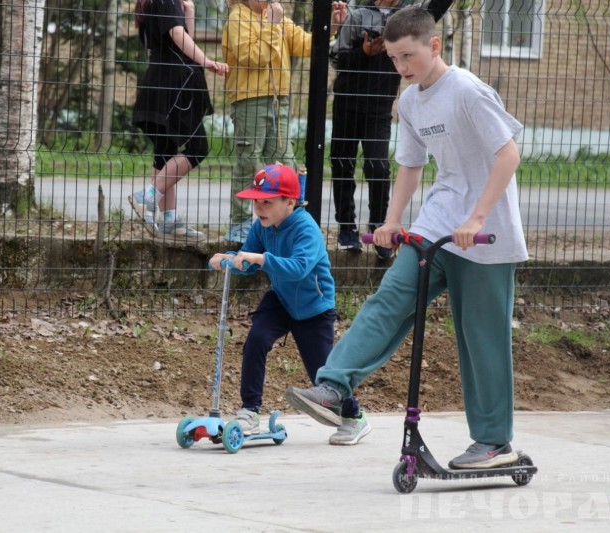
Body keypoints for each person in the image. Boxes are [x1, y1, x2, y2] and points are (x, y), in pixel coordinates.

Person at [287, 6, 529, 464]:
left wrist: (477, 217)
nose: (400, 68)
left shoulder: (467, 91)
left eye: (407, 57)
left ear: (433, 46)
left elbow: (509, 155)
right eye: (394, 59)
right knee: (390, 298)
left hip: (485, 232)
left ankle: (495, 440)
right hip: (438, 221)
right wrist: (392, 220)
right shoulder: (413, 101)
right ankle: (333, 386)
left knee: (480, 337)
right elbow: (411, 164)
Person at [209, 163, 366, 444]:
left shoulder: (306, 229)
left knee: (324, 375)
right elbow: (250, 259)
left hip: (314, 308)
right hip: (281, 299)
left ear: (289, 202)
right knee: (256, 338)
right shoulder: (262, 227)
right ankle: (249, 411)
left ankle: (354, 417)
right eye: (257, 202)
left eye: (267, 202)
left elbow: (298, 268)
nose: (260, 209)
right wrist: (230, 259)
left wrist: (261, 259)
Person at [329, 0, 452, 256]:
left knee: (378, 165)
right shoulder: (359, 15)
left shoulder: (409, 16)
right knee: (343, 163)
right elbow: (337, 58)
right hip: (347, 101)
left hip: (380, 105)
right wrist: (364, 52)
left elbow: (436, 8)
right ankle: (347, 229)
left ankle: (379, 229)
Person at [220, 0, 347, 245]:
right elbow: (252, 57)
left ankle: (288, 220)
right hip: (249, 97)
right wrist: (272, 26)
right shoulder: (238, 17)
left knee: (283, 161)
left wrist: (331, 25)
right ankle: (240, 222)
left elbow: (306, 44)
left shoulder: (274, 16)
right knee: (250, 160)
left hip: (279, 99)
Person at [129, 0, 228, 240]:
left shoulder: (157, 3)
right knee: (198, 148)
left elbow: (182, 37)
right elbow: (177, 35)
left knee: (166, 152)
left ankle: (170, 220)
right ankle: (148, 197)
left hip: (161, 82)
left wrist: (190, 11)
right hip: (173, 87)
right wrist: (206, 60)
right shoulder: (165, 1)